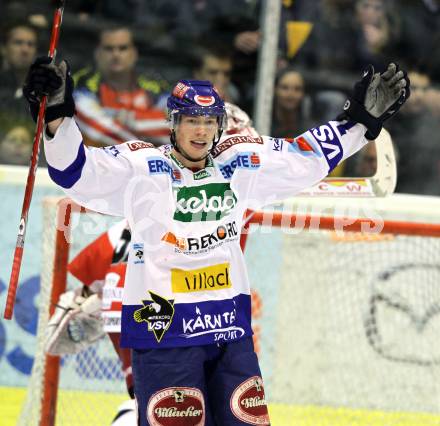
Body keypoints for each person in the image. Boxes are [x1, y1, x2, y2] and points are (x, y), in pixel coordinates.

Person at [23, 55, 409, 424]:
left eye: (210, 121)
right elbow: (76, 172)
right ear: (173, 123)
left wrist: (359, 122)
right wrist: (58, 117)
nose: (202, 130)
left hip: (228, 327)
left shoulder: (241, 162)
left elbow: (303, 157)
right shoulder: (141, 168)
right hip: (165, 332)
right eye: (192, 120)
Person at [73, 26, 170, 147]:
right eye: (109, 49)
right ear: (97, 53)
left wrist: (127, 119)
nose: (116, 54)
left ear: (134, 53)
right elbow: (100, 129)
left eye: (123, 48)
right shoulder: (82, 83)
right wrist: (147, 146)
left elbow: (178, 125)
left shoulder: (155, 85)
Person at [0, 21, 39, 164]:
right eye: (18, 43)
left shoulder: (44, 92)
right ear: (4, 48)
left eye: (30, 44)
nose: (25, 49)